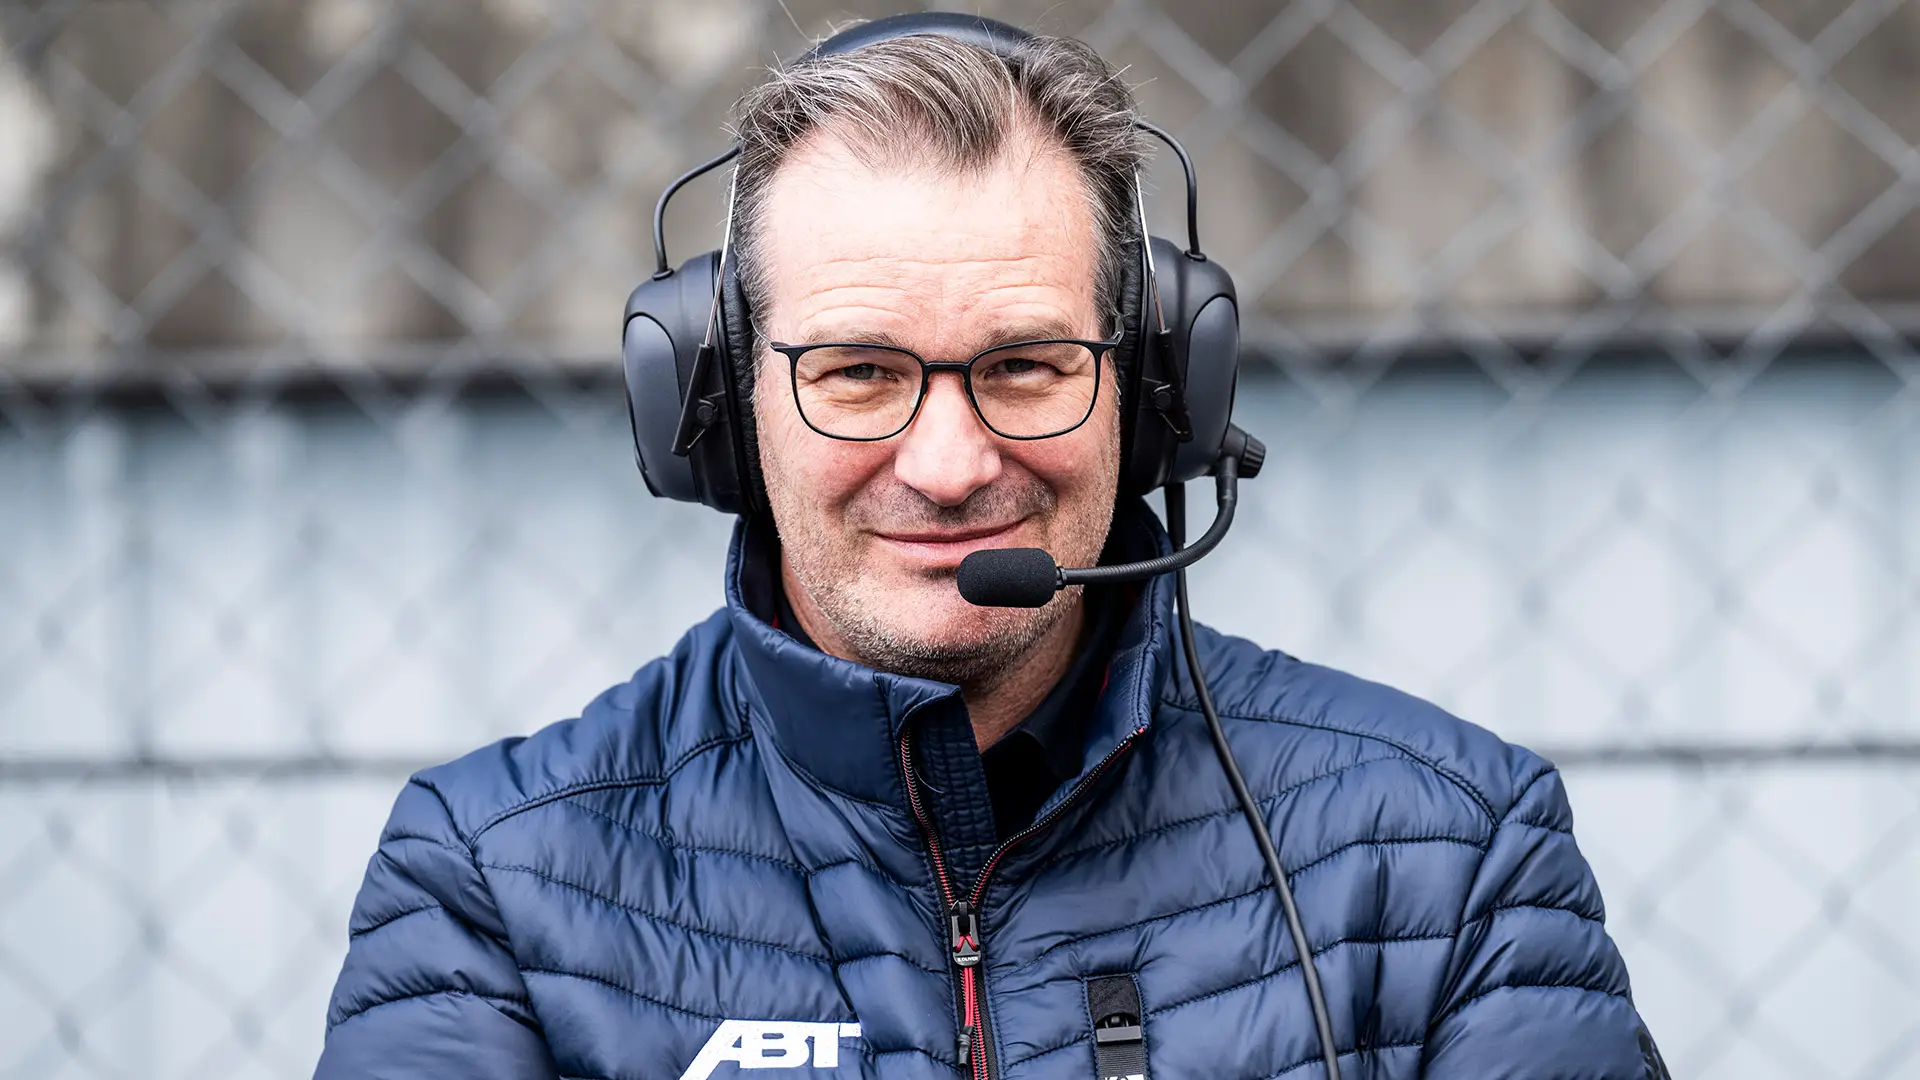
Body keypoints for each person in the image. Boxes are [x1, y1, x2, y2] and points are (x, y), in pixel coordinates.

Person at [315, 15, 1666, 1080]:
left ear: (1154, 390)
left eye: (1024, 365)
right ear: (717, 402)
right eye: (859, 373)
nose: (951, 466)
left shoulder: (1450, 855)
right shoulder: (494, 886)